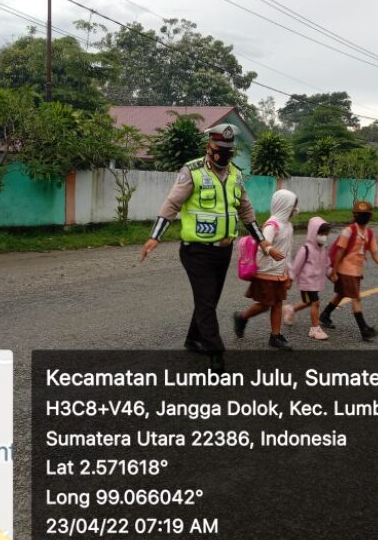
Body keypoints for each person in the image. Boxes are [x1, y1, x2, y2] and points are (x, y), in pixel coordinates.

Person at [140, 123, 278, 371]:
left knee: (209, 300)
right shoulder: (192, 171)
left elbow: (246, 210)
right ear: (209, 147)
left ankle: (193, 339)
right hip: (196, 251)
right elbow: (172, 204)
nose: (223, 154)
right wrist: (155, 237)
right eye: (219, 149)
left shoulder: (236, 174)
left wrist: (263, 242)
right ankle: (216, 352)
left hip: (223, 250)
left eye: (228, 150)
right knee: (206, 301)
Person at [233, 190, 298, 350]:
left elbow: (288, 251)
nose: (295, 209)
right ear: (284, 206)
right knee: (266, 303)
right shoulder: (272, 224)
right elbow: (263, 244)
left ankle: (275, 336)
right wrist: (270, 250)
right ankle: (242, 317)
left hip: (279, 272)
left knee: (277, 303)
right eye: (293, 206)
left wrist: (289, 272)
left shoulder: (288, 226)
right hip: (266, 271)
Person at [319, 201, 378, 341]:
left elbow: (374, 252)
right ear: (354, 215)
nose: (363, 217)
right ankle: (364, 330)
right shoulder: (349, 231)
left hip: (356, 271)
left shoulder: (369, 232)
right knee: (356, 298)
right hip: (345, 270)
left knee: (341, 294)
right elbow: (340, 252)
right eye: (360, 215)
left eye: (365, 215)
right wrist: (334, 271)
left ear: (370, 216)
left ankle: (325, 315)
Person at [282, 217, 332, 340]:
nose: (324, 236)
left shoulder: (323, 248)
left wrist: (332, 274)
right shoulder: (305, 249)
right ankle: (315, 329)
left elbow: (327, 263)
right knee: (315, 302)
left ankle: (291, 309)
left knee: (308, 302)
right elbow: (296, 267)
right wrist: (290, 279)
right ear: (313, 232)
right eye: (321, 233)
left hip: (315, 282)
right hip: (307, 282)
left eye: (326, 234)